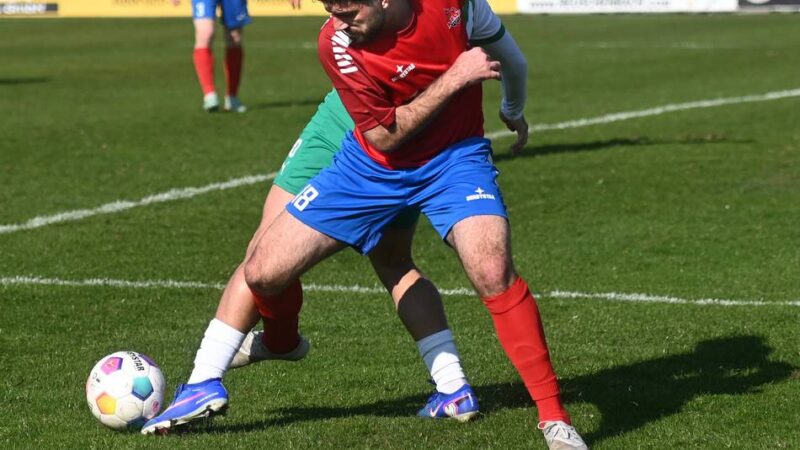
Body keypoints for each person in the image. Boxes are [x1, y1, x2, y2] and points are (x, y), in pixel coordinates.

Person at [236, 0, 588, 448]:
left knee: (491, 268)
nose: (337, 23)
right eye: (331, 10)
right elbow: (385, 136)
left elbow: (512, 59)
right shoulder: (335, 41)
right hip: (371, 167)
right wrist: (457, 77)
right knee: (262, 270)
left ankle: (555, 420)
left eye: (348, 11)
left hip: (455, 158)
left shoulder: (456, 4)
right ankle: (280, 342)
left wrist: (513, 107)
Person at [141, 93, 482, 433]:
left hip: (352, 114)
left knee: (264, 250)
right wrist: (507, 102)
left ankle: (206, 380)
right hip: (415, 128)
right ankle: (453, 387)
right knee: (393, 260)